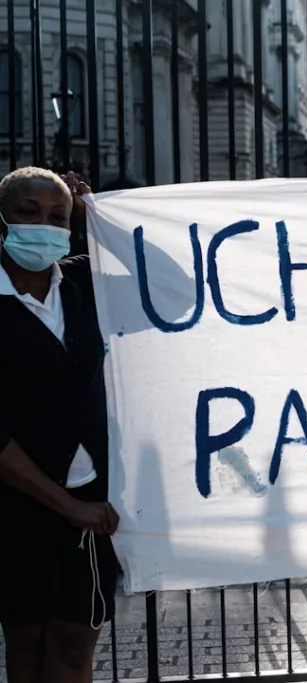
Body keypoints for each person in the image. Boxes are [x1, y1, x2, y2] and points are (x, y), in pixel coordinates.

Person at [0, 167, 120, 683]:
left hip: (91, 505)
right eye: (28, 212)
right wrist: (69, 505)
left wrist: (100, 216)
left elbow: (179, 287)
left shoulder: (81, 283)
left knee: (74, 649)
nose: (43, 225)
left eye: (58, 215)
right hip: (17, 510)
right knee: (25, 651)